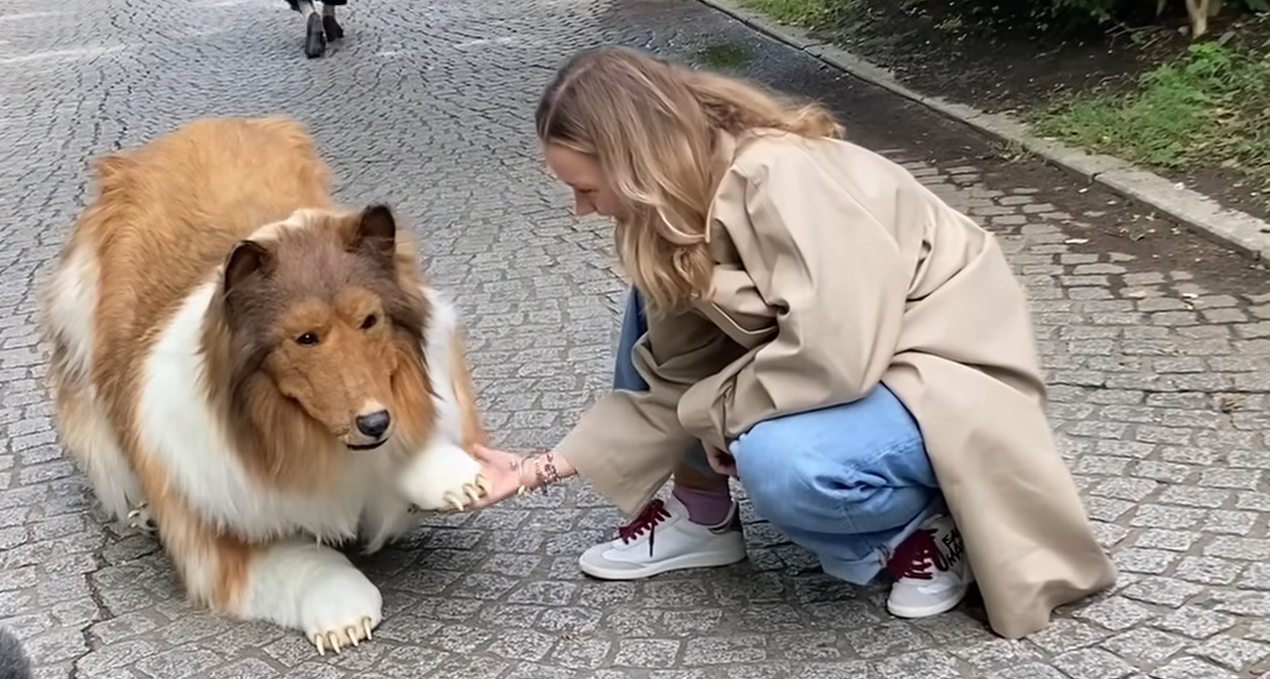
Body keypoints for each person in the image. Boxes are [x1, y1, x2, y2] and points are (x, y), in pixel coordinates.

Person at [469, 45, 1117, 639]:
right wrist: (535, 470)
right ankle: (701, 517)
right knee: (654, 298)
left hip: (940, 365)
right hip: (856, 362)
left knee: (782, 462)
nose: (582, 209)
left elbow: (835, 355)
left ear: (637, 164)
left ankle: (923, 527)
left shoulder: (779, 175)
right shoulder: (665, 212)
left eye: (586, 188)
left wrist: (716, 415)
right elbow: (672, 376)